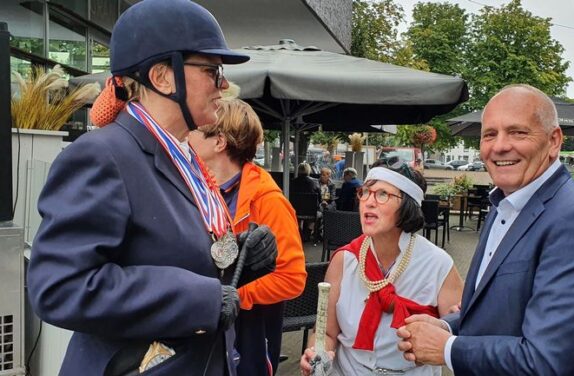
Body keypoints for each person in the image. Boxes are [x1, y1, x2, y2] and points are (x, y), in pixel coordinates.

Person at [26, 1, 278, 375]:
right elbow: (61, 287)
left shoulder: (182, 154)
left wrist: (238, 257)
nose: (223, 85)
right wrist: (200, 297)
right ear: (163, 77)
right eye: (212, 70)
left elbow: (163, 249)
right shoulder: (102, 155)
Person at [397, 84, 574, 375]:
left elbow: (545, 360)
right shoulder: (504, 204)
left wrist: (446, 347)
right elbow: (502, 313)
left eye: (518, 132)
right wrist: (446, 326)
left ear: (554, 141)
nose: (500, 145)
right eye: (489, 134)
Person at [300, 162, 463, 376]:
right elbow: (326, 333)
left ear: (407, 205)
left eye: (383, 194)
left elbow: (458, 340)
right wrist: (316, 354)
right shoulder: (344, 260)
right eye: (365, 192)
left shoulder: (438, 266)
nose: (368, 202)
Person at [189, 98, 306, 375]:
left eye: (193, 130)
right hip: (204, 325)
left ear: (219, 142)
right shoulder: (197, 189)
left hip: (249, 334)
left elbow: (292, 278)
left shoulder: (268, 200)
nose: (186, 135)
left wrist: (234, 297)